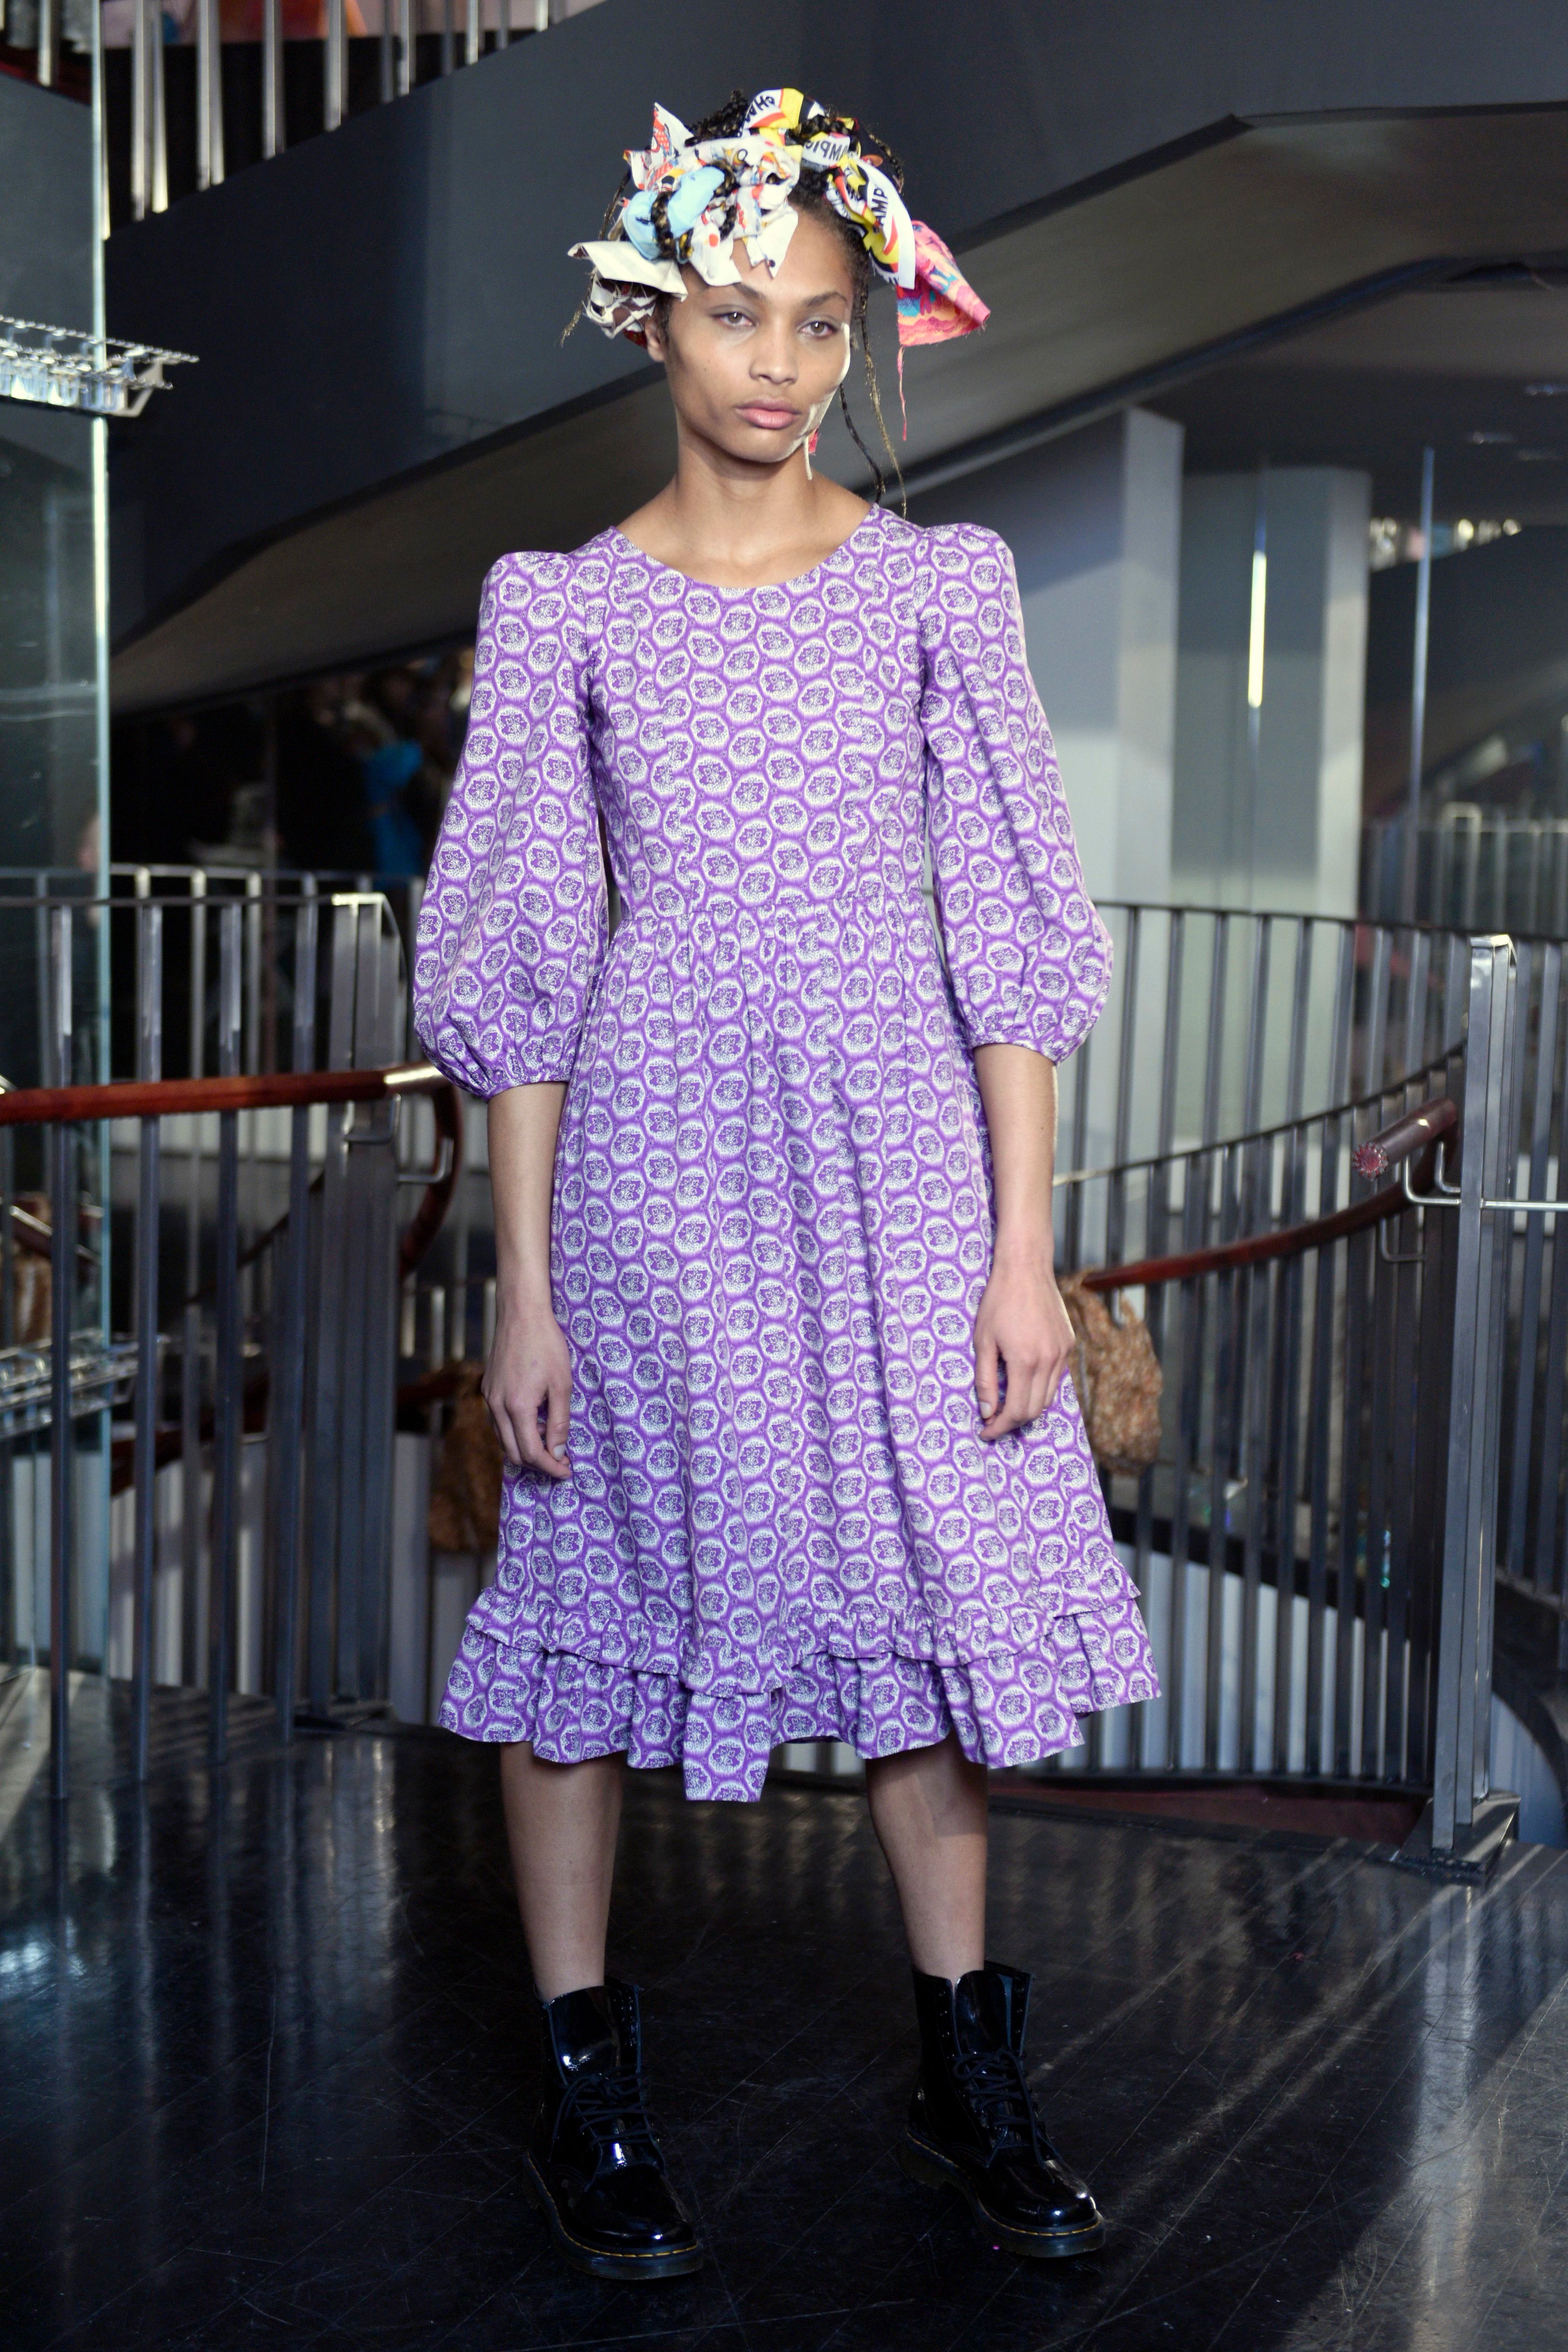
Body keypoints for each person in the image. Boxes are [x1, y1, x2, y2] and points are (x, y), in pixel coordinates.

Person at [414, 86, 1159, 2284]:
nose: (780, 363)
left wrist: (1025, 1254)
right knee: (587, 1606)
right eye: (737, 314)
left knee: (928, 1606)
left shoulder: (941, 584)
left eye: (822, 323)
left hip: (904, 1168)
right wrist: (523, 1290)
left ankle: (968, 2067)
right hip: (649, 1177)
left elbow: (1012, 942)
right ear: (650, 319)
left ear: (862, 335)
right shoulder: (559, 609)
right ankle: (588, 2091)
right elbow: (530, 971)